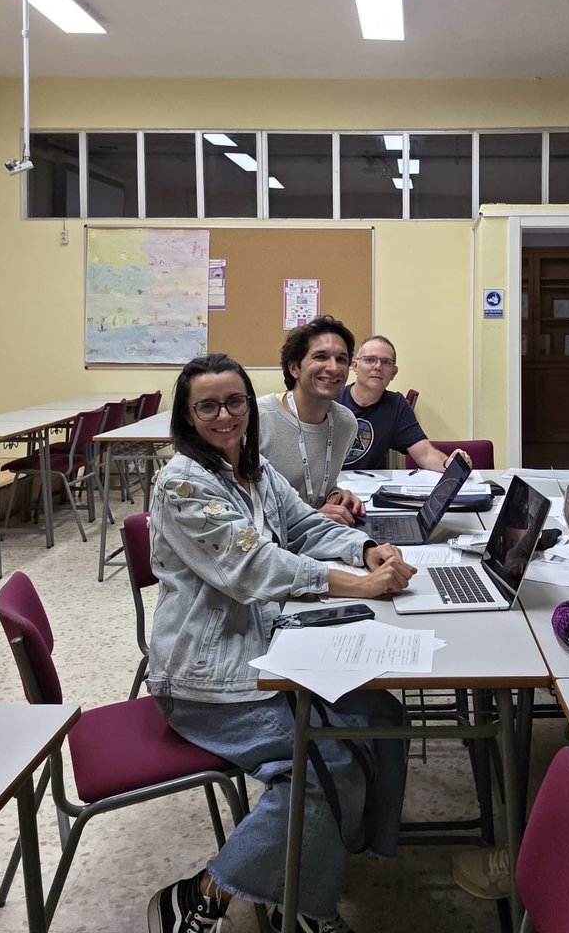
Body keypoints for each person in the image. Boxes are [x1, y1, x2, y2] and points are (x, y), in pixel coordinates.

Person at [146, 352, 416, 933]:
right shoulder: (182, 484)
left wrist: (364, 548)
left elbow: (301, 526)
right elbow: (251, 567)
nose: (225, 415)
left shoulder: (252, 467)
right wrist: (356, 580)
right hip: (206, 675)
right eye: (208, 406)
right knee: (325, 765)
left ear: (250, 402)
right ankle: (210, 892)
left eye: (235, 401)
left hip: (269, 647)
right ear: (187, 416)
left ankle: (317, 863)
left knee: (379, 716)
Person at [258, 316, 365, 526]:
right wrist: (310, 518)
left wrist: (336, 496)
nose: (334, 368)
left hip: (319, 538)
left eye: (341, 359)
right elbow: (241, 504)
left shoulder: (346, 423)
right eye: (321, 357)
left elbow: (317, 488)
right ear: (294, 368)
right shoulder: (257, 419)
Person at [337, 335, 471, 471]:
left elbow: (424, 453)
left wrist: (447, 463)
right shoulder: (332, 400)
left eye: (386, 362)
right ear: (355, 366)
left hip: (367, 487)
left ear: (393, 373)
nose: (378, 366)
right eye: (370, 360)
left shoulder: (396, 405)